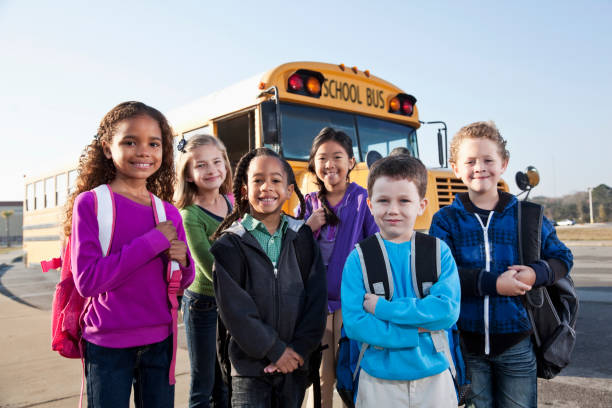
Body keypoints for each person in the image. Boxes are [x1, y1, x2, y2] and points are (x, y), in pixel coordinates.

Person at [429, 121, 573, 408]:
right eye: (470, 161)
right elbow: (440, 274)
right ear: (455, 168)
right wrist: (494, 284)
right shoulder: (446, 220)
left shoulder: (527, 217)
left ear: (504, 164)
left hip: (517, 341)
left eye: (488, 160)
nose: (479, 167)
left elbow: (562, 258)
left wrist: (535, 273)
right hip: (466, 344)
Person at [65, 101, 195, 407]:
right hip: (108, 345)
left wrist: (184, 262)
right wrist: (152, 242)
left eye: (154, 143)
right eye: (130, 141)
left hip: (160, 342)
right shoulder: (91, 204)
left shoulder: (168, 212)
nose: (143, 151)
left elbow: (181, 281)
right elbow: (88, 281)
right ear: (108, 149)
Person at [210, 148, 327, 408]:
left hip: (295, 366)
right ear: (243, 189)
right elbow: (235, 311)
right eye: (258, 180)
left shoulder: (303, 238)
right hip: (249, 369)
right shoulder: (229, 244)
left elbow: (316, 300)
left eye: (275, 180)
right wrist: (275, 350)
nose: (267, 187)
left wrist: (296, 351)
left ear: (288, 189)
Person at [341, 155, 461, 407]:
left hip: (435, 377)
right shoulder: (358, 259)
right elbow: (356, 325)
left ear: (421, 205)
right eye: (383, 200)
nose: (393, 209)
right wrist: (417, 332)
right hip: (378, 381)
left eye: (404, 200)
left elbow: (446, 312)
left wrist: (383, 309)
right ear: (371, 206)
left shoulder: (440, 253)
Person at [296, 127, 378, 408]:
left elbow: (376, 246)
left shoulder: (362, 200)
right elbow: (293, 251)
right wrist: (309, 228)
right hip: (316, 302)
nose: (329, 164)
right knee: (320, 375)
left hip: (351, 301)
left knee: (349, 369)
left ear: (351, 163)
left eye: (337, 157)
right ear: (314, 164)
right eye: (322, 158)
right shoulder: (307, 204)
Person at [175, 134, 233, 408]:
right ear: (187, 174)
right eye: (201, 165)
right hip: (203, 303)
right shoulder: (190, 215)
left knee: (225, 377)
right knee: (203, 380)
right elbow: (209, 265)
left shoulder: (232, 204)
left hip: (229, 302)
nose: (212, 170)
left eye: (217, 162)